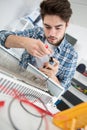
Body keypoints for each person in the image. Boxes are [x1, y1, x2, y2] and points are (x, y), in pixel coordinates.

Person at [0, 0, 78, 92]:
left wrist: (52, 77)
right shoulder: (37, 32)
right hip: (16, 81)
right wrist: (25, 42)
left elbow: (62, 90)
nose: (52, 33)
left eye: (58, 28)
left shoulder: (72, 55)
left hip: (39, 94)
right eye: (47, 26)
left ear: (67, 24)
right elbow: (1, 36)